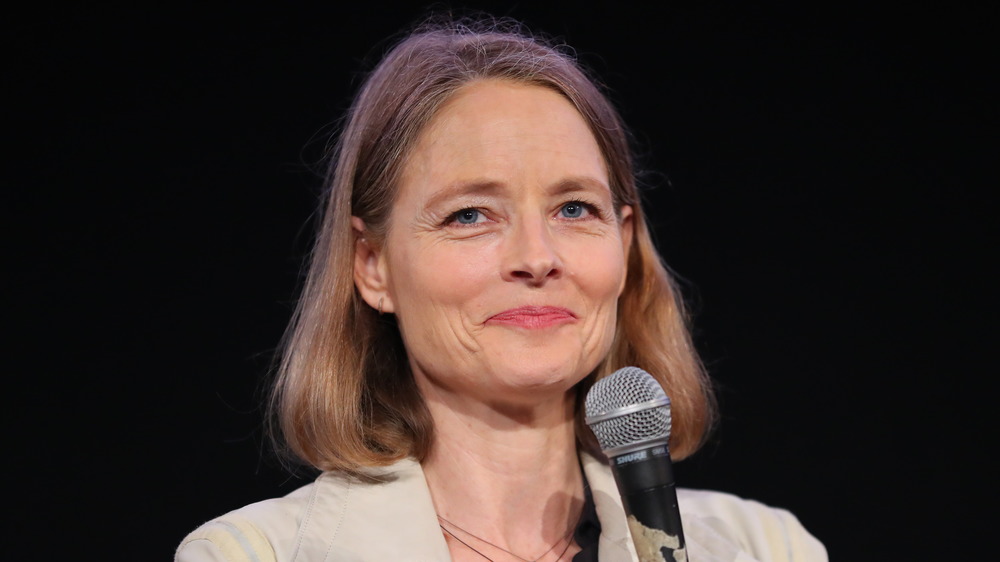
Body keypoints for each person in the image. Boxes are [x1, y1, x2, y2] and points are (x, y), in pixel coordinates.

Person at [176, 17, 827, 562]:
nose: (537, 258)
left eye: (574, 209)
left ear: (624, 247)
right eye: (470, 215)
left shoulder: (766, 548)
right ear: (372, 265)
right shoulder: (249, 554)